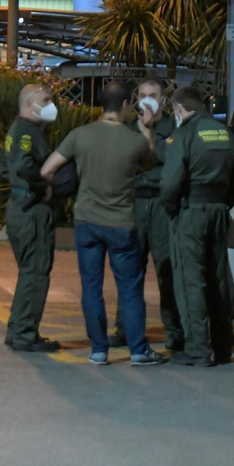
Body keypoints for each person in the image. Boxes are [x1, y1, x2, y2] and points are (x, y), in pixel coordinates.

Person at [41, 81, 167, 367]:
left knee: (91, 287)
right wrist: (146, 127)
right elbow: (149, 162)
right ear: (125, 105)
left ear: (101, 104)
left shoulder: (79, 135)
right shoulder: (133, 139)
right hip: (121, 223)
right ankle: (137, 350)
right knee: (130, 289)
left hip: (86, 221)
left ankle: (98, 350)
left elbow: (48, 169)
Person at [160, 86, 234, 368]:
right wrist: (222, 203)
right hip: (220, 211)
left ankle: (198, 348)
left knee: (190, 279)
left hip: (191, 213)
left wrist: (173, 208)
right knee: (218, 279)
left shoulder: (183, 135)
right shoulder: (224, 133)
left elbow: (170, 182)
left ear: (180, 109)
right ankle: (223, 347)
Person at [110, 79, 183, 354]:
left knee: (167, 269)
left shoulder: (173, 128)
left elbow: (167, 159)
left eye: (153, 96)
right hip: (135, 203)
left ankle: (175, 331)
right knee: (129, 269)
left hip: (162, 205)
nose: (148, 100)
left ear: (163, 101)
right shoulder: (128, 129)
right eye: (143, 96)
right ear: (136, 99)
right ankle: (125, 329)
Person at [2, 84, 60, 352]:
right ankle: (25, 334)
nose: (50, 105)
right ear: (28, 105)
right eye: (45, 100)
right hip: (32, 209)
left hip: (20, 206)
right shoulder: (27, 132)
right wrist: (43, 186)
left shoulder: (21, 129)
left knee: (28, 273)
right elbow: (24, 165)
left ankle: (18, 329)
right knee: (36, 273)